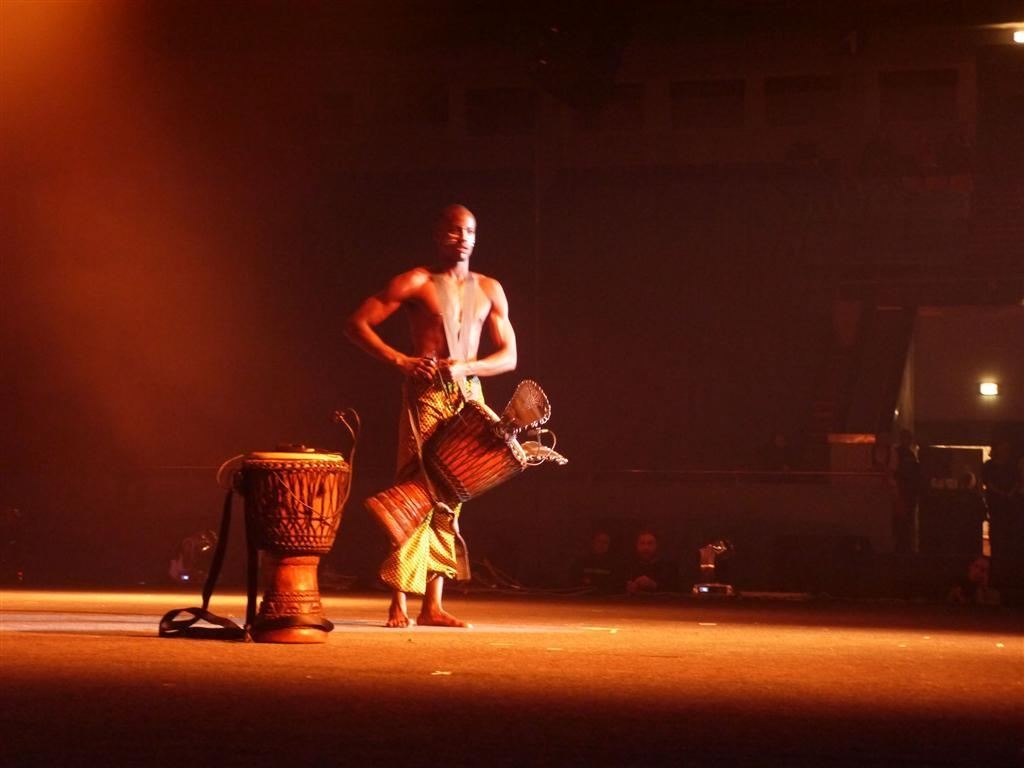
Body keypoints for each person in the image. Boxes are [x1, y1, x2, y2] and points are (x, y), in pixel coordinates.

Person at [346, 204, 517, 628]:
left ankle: (433, 605)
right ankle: (399, 601)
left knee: (451, 495)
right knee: (413, 490)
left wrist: (467, 367)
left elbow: (509, 356)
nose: (463, 238)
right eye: (456, 230)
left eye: (471, 231)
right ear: (439, 234)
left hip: (467, 395)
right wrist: (400, 360)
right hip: (425, 394)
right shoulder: (417, 281)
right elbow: (358, 323)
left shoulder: (491, 290)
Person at [888, 429, 921, 554]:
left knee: (904, 518)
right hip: (902, 490)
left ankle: (903, 544)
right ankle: (902, 544)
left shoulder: (907, 453)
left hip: (906, 490)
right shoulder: (901, 453)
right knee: (902, 518)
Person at [624, 529, 678, 594]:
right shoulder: (628, 567)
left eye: (650, 543)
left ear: (657, 546)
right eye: (642, 543)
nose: (646, 548)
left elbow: (676, 591)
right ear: (636, 546)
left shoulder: (668, 568)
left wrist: (654, 586)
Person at [569, 529, 619, 594]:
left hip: (606, 600)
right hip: (582, 598)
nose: (602, 545)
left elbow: (615, 584)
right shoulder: (581, 561)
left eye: (605, 542)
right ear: (593, 542)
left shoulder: (613, 564)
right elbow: (572, 580)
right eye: (599, 541)